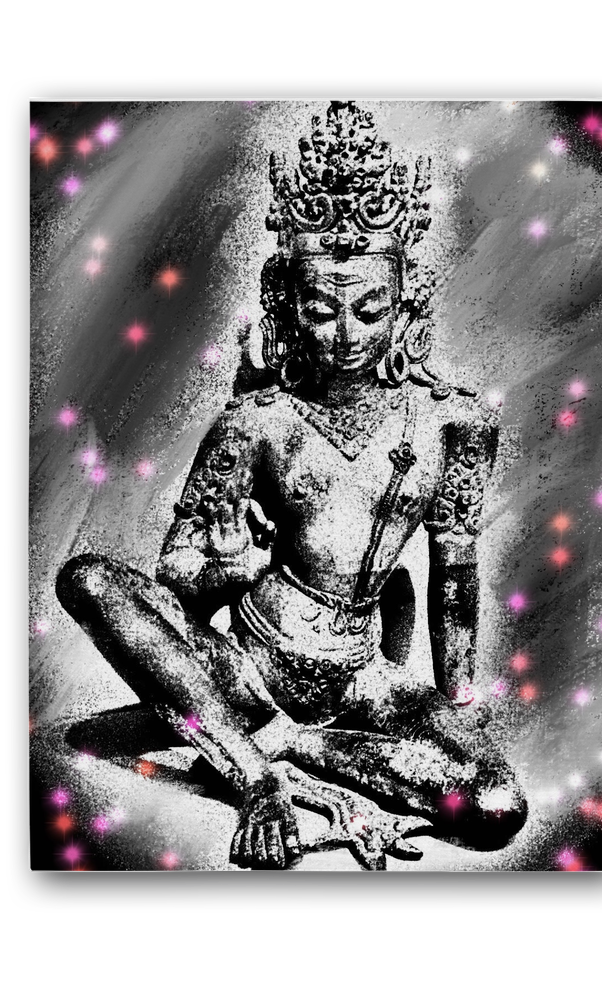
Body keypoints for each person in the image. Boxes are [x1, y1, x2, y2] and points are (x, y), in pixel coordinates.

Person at [56, 101, 527, 870]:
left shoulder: (456, 424)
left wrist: (456, 705)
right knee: (90, 581)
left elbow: (453, 575)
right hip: (249, 664)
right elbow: (178, 589)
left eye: (369, 308)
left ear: (406, 301)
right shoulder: (255, 422)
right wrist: (231, 567)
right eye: (321, 307)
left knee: (494, 803)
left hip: (365, 682)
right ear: (285, 302)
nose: (345, 333)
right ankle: (258, 772)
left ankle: (285, 744)